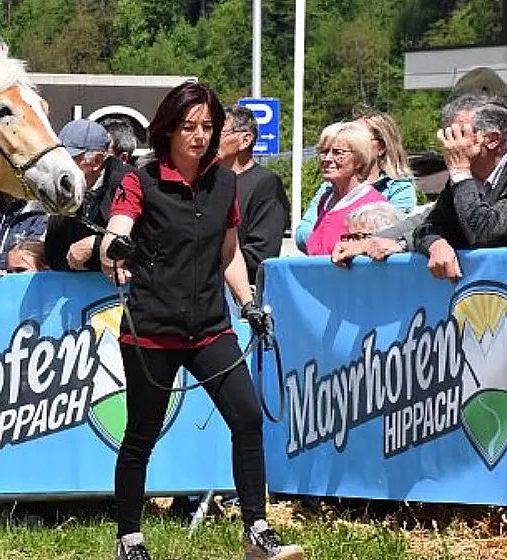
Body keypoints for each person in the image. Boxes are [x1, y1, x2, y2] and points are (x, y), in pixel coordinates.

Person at [96, 81, 303, 560]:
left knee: (247, 418)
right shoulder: (139, 180)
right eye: (189, 126)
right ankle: (129, 539)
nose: (199, 135)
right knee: (141, 433)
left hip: (210, 326)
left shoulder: (225, 183)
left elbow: (229, 254)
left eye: (208, 127)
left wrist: (247, 302)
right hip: (152, 329)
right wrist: (115, 247)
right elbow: (115, 235)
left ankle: (256, 532)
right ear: (168, 130)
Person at [412, 95, 507, 281]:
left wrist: (460, 173)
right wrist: (436, 244)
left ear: (493, 140)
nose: (449, 144)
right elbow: (427, 228)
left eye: (460, 134)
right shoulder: (465, 178)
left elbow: (486, 236)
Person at [43, 118, 136, 272]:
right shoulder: (65, 189)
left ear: (97, 161)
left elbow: (150, 244)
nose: (60, 166)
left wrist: (97, 245)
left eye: (69, 159)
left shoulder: (131, 183)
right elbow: (54, 252)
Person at [219, 105, 287, 283]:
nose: (207, 139)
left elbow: (261, 252)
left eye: (218, 132)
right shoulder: (208, 182)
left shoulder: (266, 183)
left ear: (245, 140)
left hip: (240, 293)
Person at [303, 122, 390, 256]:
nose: (327, 159)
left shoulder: (373, 205)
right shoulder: (326, 200)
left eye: (338, 153)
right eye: (324, 152)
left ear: (359, 160)